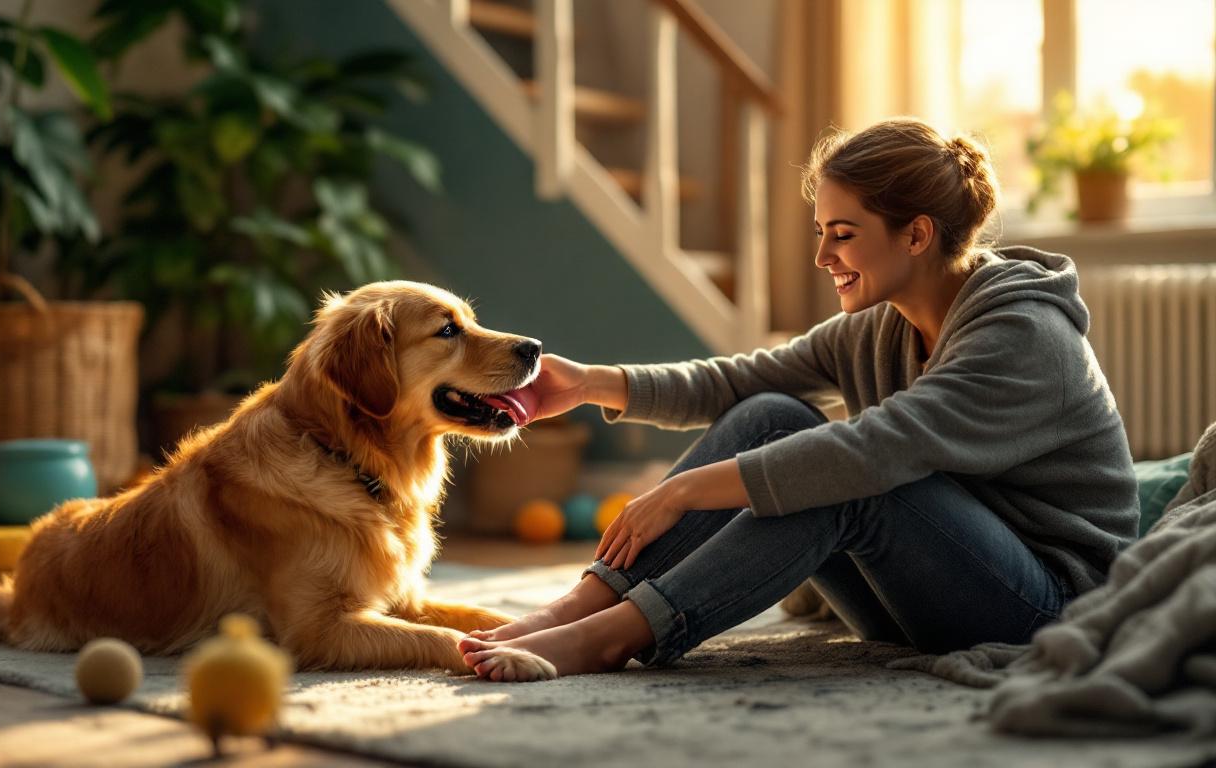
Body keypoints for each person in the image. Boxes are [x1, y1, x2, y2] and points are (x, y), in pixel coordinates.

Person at [457, 117, 1139, 683]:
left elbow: (871, 453)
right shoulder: (881, 324)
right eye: (821, 232)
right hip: (916, 590)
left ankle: (612, 636)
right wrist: (588, 384)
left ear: (917, 234)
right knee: (772, 418)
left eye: (842, 234)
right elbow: (739, 383)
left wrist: (682, 490)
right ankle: (583, 605)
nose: (823, 257)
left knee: (850, 476)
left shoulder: (1022, 335)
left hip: (1044, 603)